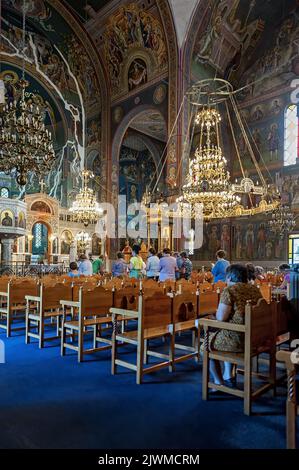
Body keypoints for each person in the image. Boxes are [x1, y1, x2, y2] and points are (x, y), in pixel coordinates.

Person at [205, 264, 262, 390]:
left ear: (229, 277)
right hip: (255, 336)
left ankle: (218, 383)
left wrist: (207, 320)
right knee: (224, 336)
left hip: (238, 339)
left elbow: (220, 318)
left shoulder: (230, 290)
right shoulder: (255, 289)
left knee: (206, 345)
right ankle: (228, 375)